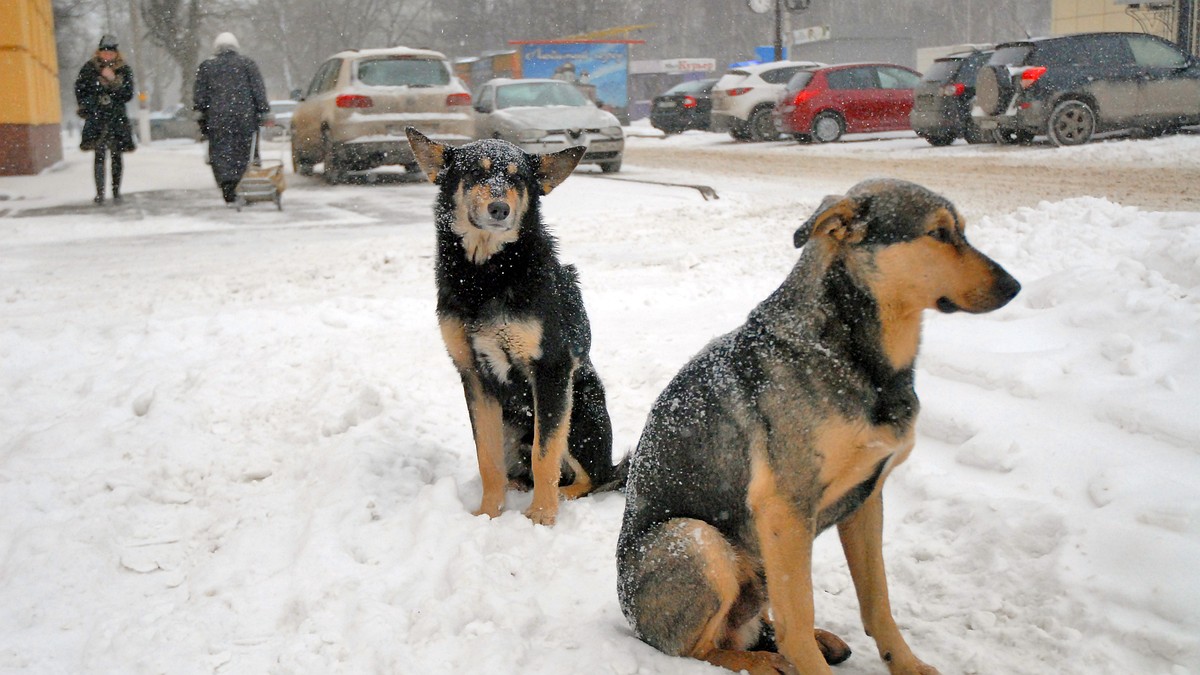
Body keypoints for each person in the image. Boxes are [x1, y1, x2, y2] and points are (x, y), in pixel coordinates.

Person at [193, 32, 269, 206]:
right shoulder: (248, 64)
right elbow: (258, 90)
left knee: (222, 156)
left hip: (217, 119)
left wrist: (201, 117)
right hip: (245, 118)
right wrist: (263, 112)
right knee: (246, 153)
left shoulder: (207, 67)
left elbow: (200, 96)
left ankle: (229, 190)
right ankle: (248, 186)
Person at [74, 34, 135, 205]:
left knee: (117, 156)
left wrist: (113, 80)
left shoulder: (123, 69)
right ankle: (100, 193)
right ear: (99, 53)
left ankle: (116, 191)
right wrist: (92, 103)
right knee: (99, 155)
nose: (107, 55)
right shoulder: (89, 69)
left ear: (116, 54)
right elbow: (80, 91)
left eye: (111, 53)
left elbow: (128, 94)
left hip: (117, 118)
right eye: (104, 52)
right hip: (97, 118)